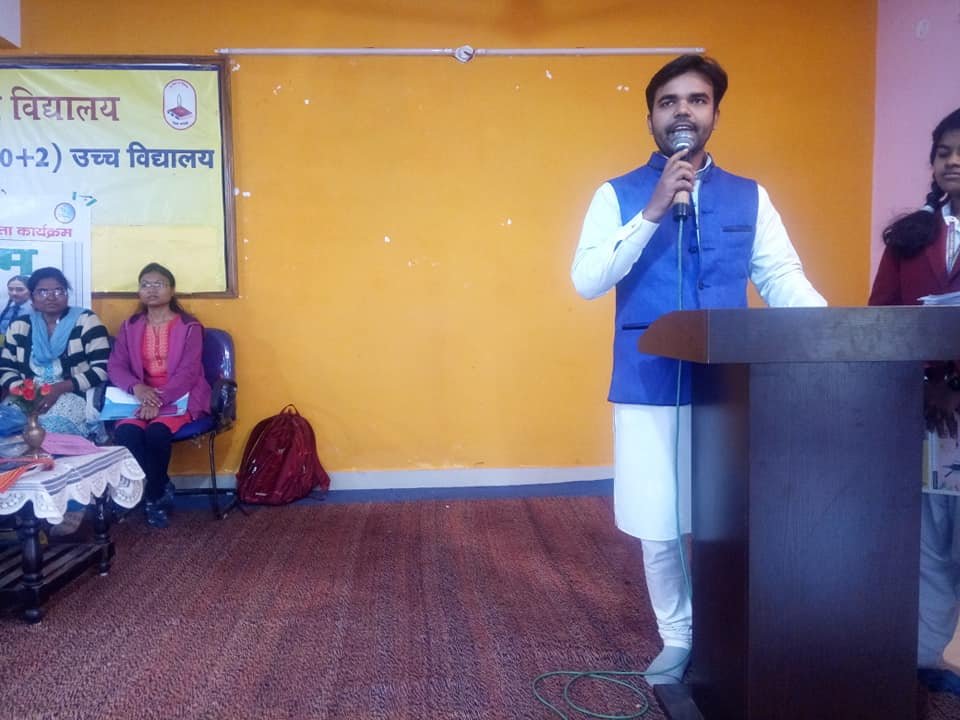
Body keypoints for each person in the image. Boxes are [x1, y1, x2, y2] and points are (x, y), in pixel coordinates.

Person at [570, 54, 826, 685]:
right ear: (651, 118)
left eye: (697, 99)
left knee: (731, 520)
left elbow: (781, 277)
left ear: (714, 113)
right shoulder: (616, 194)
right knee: (658, 523)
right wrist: (653, 209)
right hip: (648, 383)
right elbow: (587, 279)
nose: (682, 110)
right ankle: (678, 635)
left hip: (733, 386)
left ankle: (730, 628)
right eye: (668, 101)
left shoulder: (749, 195)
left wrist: (831, 333)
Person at [869, 107, 960, 696]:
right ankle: (926, 657)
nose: (953, 161)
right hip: (924, 415)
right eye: (944, 152)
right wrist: (924, 382)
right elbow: (880, 321)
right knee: (928, 541)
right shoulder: (909, 238)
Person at [107, 263, 211, 529]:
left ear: (172, 290)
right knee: (127, 433)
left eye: (158, 284)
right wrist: (137, 389)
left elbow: (189, 372)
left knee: (156, 433)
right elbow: (116, 366)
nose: (151, 290)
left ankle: (152, 497)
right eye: (145, 285)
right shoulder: (130, 326)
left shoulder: (189, 326)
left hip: (179, 395)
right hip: (138, 395)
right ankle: (160, 485)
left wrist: (158, 398)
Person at [0, 267, 110, 437]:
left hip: (71, 394)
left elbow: (101, 369)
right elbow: (6, 369)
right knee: (9, 431)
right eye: (42, 292)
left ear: (66, 294)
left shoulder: (86, 321)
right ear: (32, 297)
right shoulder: (20, 326)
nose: (51, 297)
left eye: (58, 291)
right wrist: (26, 393)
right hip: (26, 396)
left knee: (49, 431)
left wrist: (58, 388)